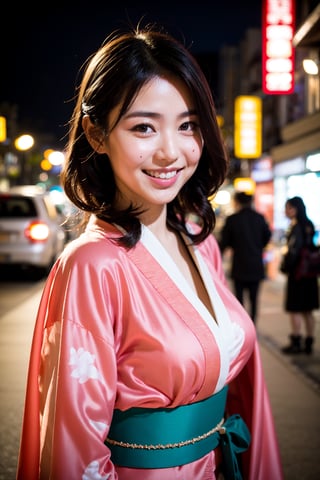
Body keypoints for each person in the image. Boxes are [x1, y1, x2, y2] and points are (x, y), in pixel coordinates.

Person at [16, 26, 283, 480]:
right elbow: (74, 444)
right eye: (143, 127)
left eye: (188, 126)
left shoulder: (200, 240)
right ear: (96, 135)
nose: (170, 152)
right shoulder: (91, 266)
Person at [218, 191, 272, 323]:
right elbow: (267, 237)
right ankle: (253, 325)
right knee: (254, 300)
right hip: (256, 265)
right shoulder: (259, 218)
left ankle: (243, 326)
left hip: (239, 266)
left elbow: (224, 243)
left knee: (239, 300)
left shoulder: (232, 219)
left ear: (237, 202)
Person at [280, 196, 319, 355]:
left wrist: (285, 267)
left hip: (297, 275)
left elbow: (294, 252)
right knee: (308, 310)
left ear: (296, 209)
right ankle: (309, 342)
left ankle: (296, 341)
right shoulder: (309, 224)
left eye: (289, 208)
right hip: (310, 274)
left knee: (295, 309)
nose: (286, 211)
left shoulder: (295, 227)